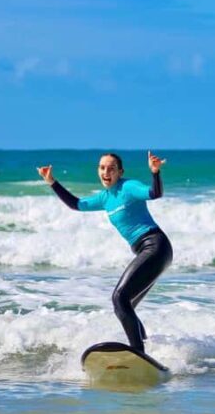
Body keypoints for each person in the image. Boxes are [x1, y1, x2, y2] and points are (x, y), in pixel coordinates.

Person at [37, 151, 172, 353]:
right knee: (126, 306)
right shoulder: (104, 197)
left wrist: (155, 173)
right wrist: (52, 182)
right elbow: (77, 204)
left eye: (111, 168)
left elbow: (155, 193)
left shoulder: (128, 187)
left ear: (120, 172)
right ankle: (146, 351)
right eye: (102, 168)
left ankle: (137, 351)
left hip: (155, 246)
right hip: (149, 250)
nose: (106, 172)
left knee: (119, 299)